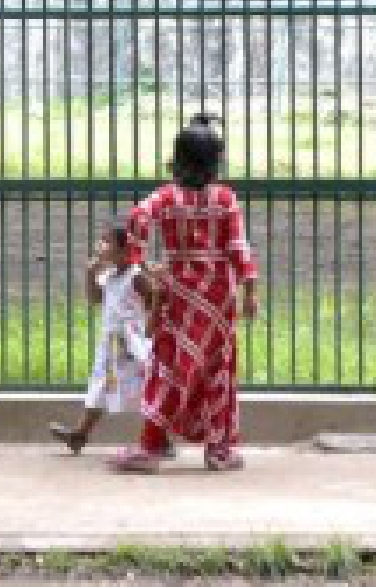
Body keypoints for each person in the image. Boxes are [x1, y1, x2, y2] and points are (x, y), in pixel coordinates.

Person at [110, 112, 258, 474]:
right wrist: (250, 290)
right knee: (218, 367)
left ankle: (152, 444)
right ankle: (219, 449)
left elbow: (136, 221)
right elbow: (239, 248)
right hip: (219, 294)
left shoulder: (165, 197)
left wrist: (138, 265)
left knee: (170, 365)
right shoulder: (225, 199)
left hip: (179, 291)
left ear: (177, 159)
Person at [49, 221, 155, 455]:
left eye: (107, 242)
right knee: (100, 387)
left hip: (131, 344)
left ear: (124, 250)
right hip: (112, 344)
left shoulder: (136, 277)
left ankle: (160, 439)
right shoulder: (109, 275)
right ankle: (80, 435)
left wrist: (147, 329)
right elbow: (95, 298)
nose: (101, 246)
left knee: (145, 388)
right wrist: (90, 272)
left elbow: (154, 301)